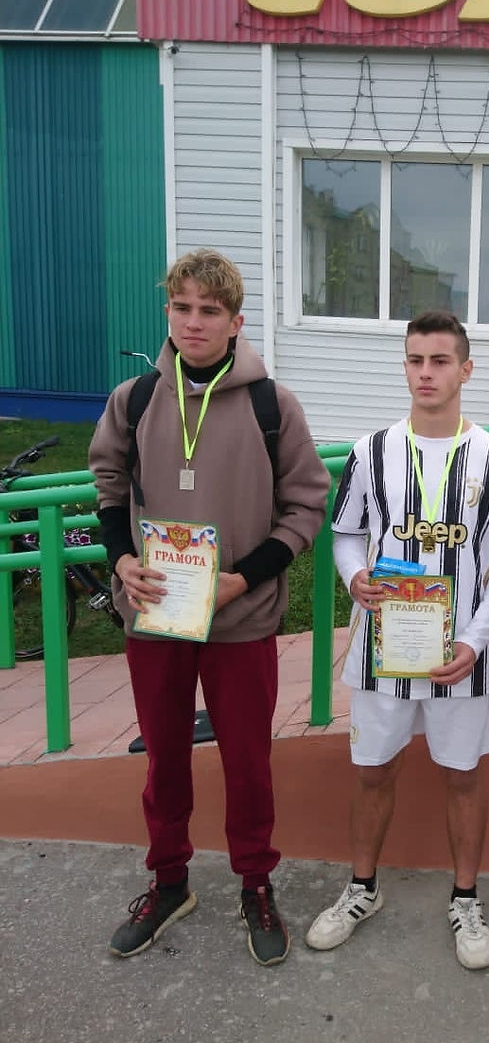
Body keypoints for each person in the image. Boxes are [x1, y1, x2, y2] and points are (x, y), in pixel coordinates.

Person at [89, 249, 329, 966]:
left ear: (235, 322)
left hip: (240, 619)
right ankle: (169, 883)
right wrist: (121, 560)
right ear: (168, 311)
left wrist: (243, 579)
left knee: (248, 764)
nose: (193, 322)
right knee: (164, 761)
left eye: (209, 311)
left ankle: (256, 882)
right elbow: (108, 487)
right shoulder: (133, 400)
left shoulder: (272, 405)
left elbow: (305, 507)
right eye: (182, 307)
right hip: (157, 615)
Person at [306, 310, 489, 970]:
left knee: (463, 774)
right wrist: (355, 577)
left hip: (459, 654)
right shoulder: (371, 451)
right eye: (415, 360)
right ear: (404, 366)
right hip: (383, 648)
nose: (425, 372)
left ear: (466, 369)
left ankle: (466, 899)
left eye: (439, 360)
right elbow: (346, 534)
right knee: (373, 770)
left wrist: (476, 640)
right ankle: (362, 889)